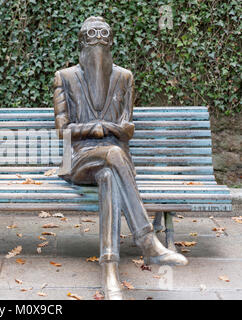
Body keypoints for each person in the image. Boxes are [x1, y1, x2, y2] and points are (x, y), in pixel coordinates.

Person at [53, 16, 188, 300]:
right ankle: (147, 241)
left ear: (111, 41)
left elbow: (128, 130)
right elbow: (64, 131)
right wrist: (101, 129)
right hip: (78, 160)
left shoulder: (124, 77)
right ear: (81, 42)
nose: (98, 40)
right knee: (113, 152)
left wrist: (109, 131)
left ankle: (110, 272)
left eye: (104, 34)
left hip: (113, 164)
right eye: (92, 35)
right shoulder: (64, 78)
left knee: (108, 177)